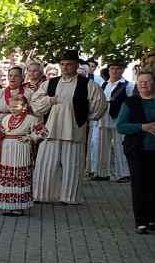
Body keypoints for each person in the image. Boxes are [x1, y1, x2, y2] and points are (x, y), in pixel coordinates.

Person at [30, 49, 107, 205]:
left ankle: (70, 197)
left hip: (74, 130)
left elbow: (99, 105)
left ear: (76, 65)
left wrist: (84, 117)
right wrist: (49, 101)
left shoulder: (88, 84)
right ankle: (43, 195)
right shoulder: (49, 83)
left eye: (69, 64)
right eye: (63, 64)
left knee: (73, 165)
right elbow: (35, 103)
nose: (65, 67)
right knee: (45, 164)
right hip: (50, 130)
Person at [117, 69, 155, 233]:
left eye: (147, 81)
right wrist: (143, 127)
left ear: (154, 84)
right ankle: (140, 221)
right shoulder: (130, 102)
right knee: (140, 185)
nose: (143, 84)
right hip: (137, 150)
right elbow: (121, 126)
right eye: (140, 81)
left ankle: (152, 219)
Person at [0, 93, 45, 216]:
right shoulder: (5, 118)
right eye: (11, 106)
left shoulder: (31, 119)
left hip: (21, 148)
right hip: (7, 149)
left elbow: (43, 131)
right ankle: (8, 205)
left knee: (19, 175)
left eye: (16, 106)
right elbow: (0, 129)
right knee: (7, 175)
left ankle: (18, 206)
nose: (12, 109)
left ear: (24, 106)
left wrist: (30, 137)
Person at [92, 58, 131, 182]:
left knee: (120, 146)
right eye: (112, 68)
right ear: (108, 70)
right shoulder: (104, 84)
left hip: (119, 119)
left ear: (123, 70)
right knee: (101, 146)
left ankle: (123, 174)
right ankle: (102, 173)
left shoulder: (128, 85)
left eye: (118, 68)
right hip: (103, 118)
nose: (114, 71)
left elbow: (130, 103)